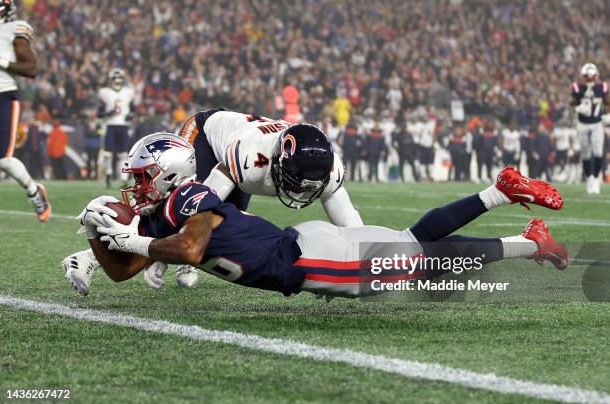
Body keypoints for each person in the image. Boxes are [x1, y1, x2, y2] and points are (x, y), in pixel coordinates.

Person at [78, 133, 567, 300]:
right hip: (305, 248)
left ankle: (530, 240)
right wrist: (102, 237)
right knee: (412, 242)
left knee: (425, 260)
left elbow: (189, 249)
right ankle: (501, 199)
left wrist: (127, 238)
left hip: (310, 261)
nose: (136, 186)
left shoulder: (185, 200)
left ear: (167, 175)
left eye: (143, 177)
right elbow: (123, 272)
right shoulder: (165, 213)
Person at [64, 110, 363, 295]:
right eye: (295, 183)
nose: (299, 194)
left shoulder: (328, 169)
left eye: (306, 188)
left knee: (225, 222)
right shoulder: (250, 159)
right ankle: (90, 256)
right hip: (208, 135)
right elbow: (195, 213)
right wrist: (163, 253)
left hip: (240, 155)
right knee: (179, 213)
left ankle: (160, 257)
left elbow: (353, 228)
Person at [0, 0, 50, 221]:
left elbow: (31, 68)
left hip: (3, 94)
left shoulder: (13, 28)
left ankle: (33, 191)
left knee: (3, 159)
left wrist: (0, 61)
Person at [571, 63, 610, 194]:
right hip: (582, 124)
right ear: (583, 76)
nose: (589, 79)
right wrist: (577, 108)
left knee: (598, 152)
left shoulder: (602, 86)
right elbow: (572, 103)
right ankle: (589, 179)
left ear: (596, 76)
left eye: (591, 77)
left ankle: (595, 179)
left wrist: (608, 114)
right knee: (586, 153)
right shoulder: (577, 87)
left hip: (597, 123)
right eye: (587, 77)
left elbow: (607, 101)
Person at [98, 68, 136, 188]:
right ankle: (109, 173)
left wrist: (131, 115)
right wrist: (109, 113)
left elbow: (133, 109)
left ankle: (124, 178)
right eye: (115, 78)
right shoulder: (105, 92)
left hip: (123, 126)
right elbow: (100, 113)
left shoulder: (128, 92)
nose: (117, 81)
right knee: (108, 154)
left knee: (123, 154)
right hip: (111, 125)